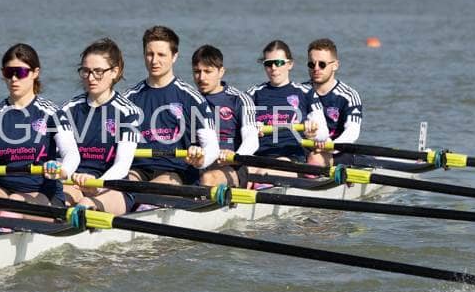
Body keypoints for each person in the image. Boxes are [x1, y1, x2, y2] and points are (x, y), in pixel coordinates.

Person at [0, 44, 80, 219]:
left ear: (35, 73)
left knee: (11, 206)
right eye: (8, 72)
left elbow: (71, 153)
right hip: (1, 189)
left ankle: (0, 229)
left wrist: (63, 170)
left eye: (20, 72)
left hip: (44, 193)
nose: (14, 79)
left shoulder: (52, 113)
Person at [124, 26, 219, 187]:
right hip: (137, 170)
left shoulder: (192, 98)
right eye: (149, 54)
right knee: (125, 183)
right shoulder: (128, 99)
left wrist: (201, 158)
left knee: (151, 188)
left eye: (161, 55)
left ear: (174, 56)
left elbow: (212, 147)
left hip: (177, 172)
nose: (154, 61)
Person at [61, 39, 141, 215]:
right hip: (75, 182)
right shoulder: (67, 110)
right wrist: (69, 176)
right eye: (86, 71)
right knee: (58, 203)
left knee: (85, 205)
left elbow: (122, 165)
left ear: (114, 72)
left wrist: (97, 185)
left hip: (113, 187)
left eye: (98, 72)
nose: (90, 78)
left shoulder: (129, 113)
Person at [246, 40, 328, 169]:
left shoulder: (306, 92)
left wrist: (313, 134)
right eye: (268, 63)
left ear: (290, 64)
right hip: (258, 156)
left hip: (291, 156)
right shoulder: (252, 94)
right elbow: (236, 127)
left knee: (270, 168)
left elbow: (323, 132)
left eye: (279, 63)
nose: (274, 68)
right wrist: (249, 128)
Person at [191, 45, 258, 188]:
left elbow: (252, 140)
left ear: (221, 72)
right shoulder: (188, 99)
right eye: (197, 71)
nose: (201, 77)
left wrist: (235, 157)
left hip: (232, 165)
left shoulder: (239, 99)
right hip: (198, 164)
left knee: (208, 179)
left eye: (208, 71)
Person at [303, 38, 363, 166]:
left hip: (338, 151)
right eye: (311, 64)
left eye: (322, 64)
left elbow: (352, 132)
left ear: (335, 65)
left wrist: (330, 146)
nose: (316, 68)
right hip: (306, 146)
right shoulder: (300, 91)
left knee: (315, 159)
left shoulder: (349, 96)